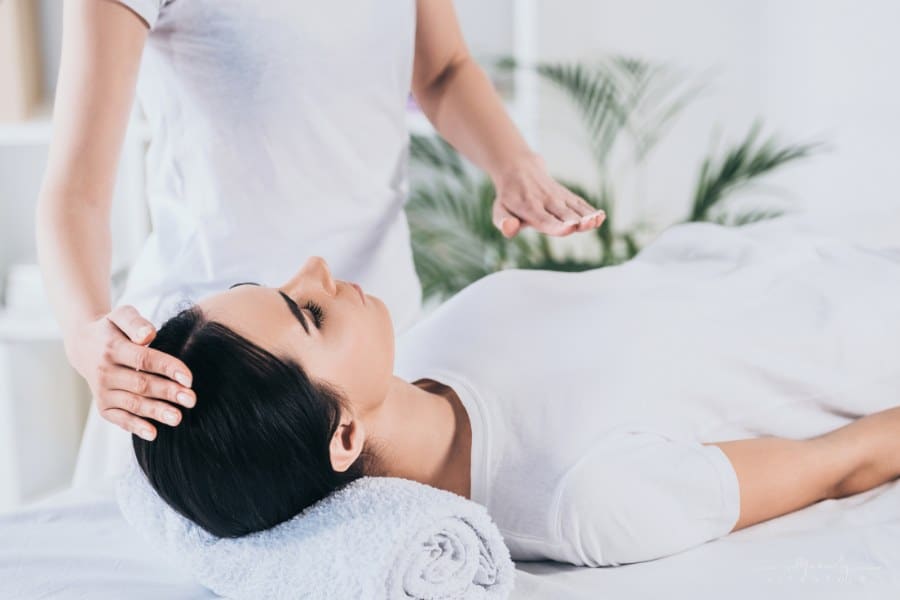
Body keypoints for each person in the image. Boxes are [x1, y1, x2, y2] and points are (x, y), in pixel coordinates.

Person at [34, 0, 605, 488]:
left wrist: (514, 165)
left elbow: (442, 70)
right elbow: (76, 193)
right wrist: (85, 335)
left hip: (381, 347)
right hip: (212, 396)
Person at [132, 218, 900, 567]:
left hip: (812, 251)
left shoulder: (425, 348)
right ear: (343, 436)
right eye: (310, 314)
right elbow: (843, 463)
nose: (315, 270)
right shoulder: (583, 496)